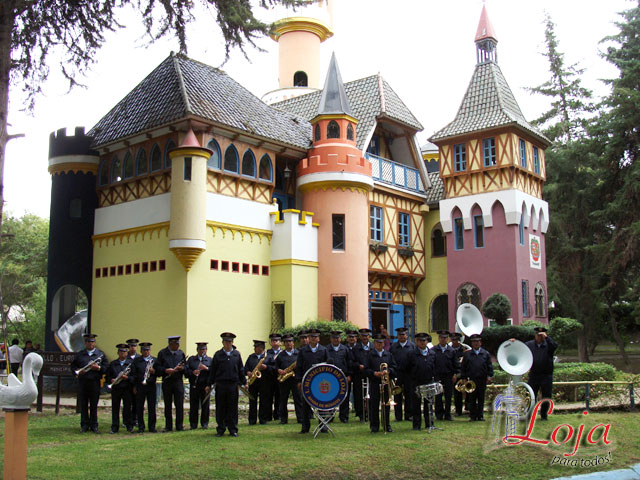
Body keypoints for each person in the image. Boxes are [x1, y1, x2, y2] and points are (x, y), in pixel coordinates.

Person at [208, 332, 246, 437]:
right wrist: (209, 384)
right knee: (221, 407)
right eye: (226, 341)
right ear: (222, 342)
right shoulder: (218, 354)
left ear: (232, 342)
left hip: (233, 385)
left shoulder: (236, 354)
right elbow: (213, 371)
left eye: (229, 342)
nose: (227, 344)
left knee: (232, 408)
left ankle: (233, 429)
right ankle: (221, 429)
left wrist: (244, 383)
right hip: (221, 385)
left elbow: (240, 369)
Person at [70, 333, 106, 433]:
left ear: (95, 343)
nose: (90, 344)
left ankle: (94, 425)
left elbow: (106, 368)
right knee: (84, 405)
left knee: (94, 405)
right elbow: (73, 367)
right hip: (83, 382)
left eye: (92, 342)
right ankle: (84, 425)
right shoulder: (80, 354)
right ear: (85, 343)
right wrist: (77, 371)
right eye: (88, 342)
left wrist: (98, 368)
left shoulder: (100, 354)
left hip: (94, 382)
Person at [295, 328, 328, 434]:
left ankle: (323, 425)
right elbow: (299, 367)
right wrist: (299, 381)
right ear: (309, 338)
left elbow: (328, 366)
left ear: (318, 339)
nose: (314, 339)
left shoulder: (324, 350)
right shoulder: (303, 351)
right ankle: (305, 427)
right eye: (312, 337)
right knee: (305, 405)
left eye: (316, 337)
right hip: (307, 381)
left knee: (322, 404)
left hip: (320, 381)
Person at [365, 333, 397, 433]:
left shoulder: (389, 354)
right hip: (374, 383)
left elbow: (394, 367)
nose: (379, 344)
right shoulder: (369, 355)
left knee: (386, 406)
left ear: (384, 344)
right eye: (377, 343)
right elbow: (365, 369)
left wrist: (388, 371)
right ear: (374, 343)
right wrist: (374, 373)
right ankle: (374, 426)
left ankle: (386, 425)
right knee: (374, 406)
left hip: (385, 384)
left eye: (381, 343)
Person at [526, 326, 558, 420]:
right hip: (534, 374)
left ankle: (544, 415)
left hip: (546, 374)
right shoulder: (529, 344)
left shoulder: (549, 345)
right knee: (531, 395)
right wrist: (513, 342)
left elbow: (555, 346)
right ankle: (530, 414)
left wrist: (547, 338)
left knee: (546, 396)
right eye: (537, 335)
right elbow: (521, 349)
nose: (539, 337)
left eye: (541, 335)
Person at [156, 336, 186, 432]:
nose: (177, 346)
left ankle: (179, 426)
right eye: (175, 344)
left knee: (179, 404)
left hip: (178, 381)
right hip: (167, 381)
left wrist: (182, 368)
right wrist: (165, 370)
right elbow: (157, 367)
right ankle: (168, 426)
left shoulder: (181, 353)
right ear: (170, 344)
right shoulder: (162, 353)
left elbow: (186, 367)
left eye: (178, 344)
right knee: (167, 404)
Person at [460, 333, 493, 421]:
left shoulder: (485, 353)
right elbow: (463, 367)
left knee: (481, 398)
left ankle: (480, 416)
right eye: (474, 342)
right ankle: (472, 416)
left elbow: (489, 366)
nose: (476, 343)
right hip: (471, 380)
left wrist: (489, 376)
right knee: (472, 399)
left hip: (482, 379)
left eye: (477, 341)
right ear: (471, 343)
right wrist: (463, 378)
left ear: (480, 343)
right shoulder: (467, 354)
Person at [408, 332, 436, 430]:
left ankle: (429, 423)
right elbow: (407, 368)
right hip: (416, 382)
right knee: (416, 405)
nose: (422, 343)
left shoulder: (432, 353)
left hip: (428, 381)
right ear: (416, 342)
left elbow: (435, 367)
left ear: (427, 341)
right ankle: (416, 425)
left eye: (424, 340)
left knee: (429, 404)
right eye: (420, 341)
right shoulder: (411, 354)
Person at [431, 330, 459, 421]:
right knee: (438, 396)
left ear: (448, 339)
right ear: (439, 338)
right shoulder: (433, 350)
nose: (443, 339)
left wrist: (455, 374)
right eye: (441, 337)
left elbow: (456, 364)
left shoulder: (452, 351)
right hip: (437, 375)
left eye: (445, 338)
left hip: (448, 376)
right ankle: (439, 414)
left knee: (448, 396)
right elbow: (431, 364)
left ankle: (447, 414)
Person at [106, 343, 134, 433]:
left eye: (125, 352)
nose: (123, 353)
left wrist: (128, 378)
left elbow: (135, 377)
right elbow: (107, 376)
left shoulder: (131, 364)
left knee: (127, 408)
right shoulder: (113, 364)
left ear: (127, 353)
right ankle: (115, 427)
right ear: (118, 352)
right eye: (121, 352)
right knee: (115, 408)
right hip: (116, 388)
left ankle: (129, 426)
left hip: (127, 389)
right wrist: (111, 380)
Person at [389, 327, 415, 422]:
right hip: (397, 374)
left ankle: (409, 415)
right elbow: (390, 360)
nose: (402, 336)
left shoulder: (412, 346)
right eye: (400, 335)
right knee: (397, 395)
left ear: (407, 335)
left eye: (403, 334)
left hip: (409, 374)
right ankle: (398, 416)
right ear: (397, 336)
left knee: (409, 395)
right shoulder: (393, 347)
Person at [275, 334, 302, 424]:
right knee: (283, 400)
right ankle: (283, 419)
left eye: (290, 342)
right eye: (286, 342)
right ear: (284, 344)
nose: (288, 344)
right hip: (284, 380)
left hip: (295, 379)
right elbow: (275, 366)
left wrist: (297, 366)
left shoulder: (299, 354)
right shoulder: (280, 355)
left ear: (293, 343)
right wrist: (279, 370)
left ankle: (300, 418)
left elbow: (302, 366)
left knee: (298, 399)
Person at [132, 342, 158, 433]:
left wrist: (153, 371)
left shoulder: (154, 360)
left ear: (150, 350)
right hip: (140, 386)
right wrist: (135, 386)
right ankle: (141, 427)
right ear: (141, 351)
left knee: (152, 407)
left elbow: (159, 373)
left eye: (147, 350)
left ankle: (152, 427)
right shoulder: (137, 361)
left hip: (151, 386)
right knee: (139, 407)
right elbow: (134, 374)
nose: (146, 351)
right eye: (144, 350)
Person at [326, 330, 351, 423]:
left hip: (343, 376)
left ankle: (344, 417)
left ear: (340, 339)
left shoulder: (345, 349)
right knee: (331, 396)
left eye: (337, 338)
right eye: (334, 338)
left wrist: (348, 375)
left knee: (344, 396)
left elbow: (349, 362)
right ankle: (330, 416)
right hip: (331, 376)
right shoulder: (327, 349)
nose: (336, 339)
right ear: (331, 339)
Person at [184, 342, 212, 429]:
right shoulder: (192, 359)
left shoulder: (210, 360)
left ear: (206, 350)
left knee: (205, 406)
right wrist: (193, 373)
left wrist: (206, 368)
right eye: (200, 349)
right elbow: (186, 371)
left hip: (205, 386)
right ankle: (193, 424)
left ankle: (204, 423)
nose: (202, 351)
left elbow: (214, 372)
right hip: (194, 385)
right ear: (197, 350)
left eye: (204, 349)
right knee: (193, 406)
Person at [244, 339, 270, 425]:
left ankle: (263, 419)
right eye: (254, 347)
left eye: (256, 347)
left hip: (264, 382)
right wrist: (248, 372)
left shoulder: (268, 357)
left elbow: (274, 368)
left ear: (262, 348)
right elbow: (245, 368)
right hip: (253, 382)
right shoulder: (251, 357)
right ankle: (252, 420)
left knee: (264, 401)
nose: (255, 349)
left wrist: (266, 367)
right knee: (252, 401)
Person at [352, 328, 373, 421]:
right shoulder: (355, 348)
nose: (365, 338)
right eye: (363, 336)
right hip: (359, 374)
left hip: (370, 374)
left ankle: (370, 413)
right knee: (359, 395)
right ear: (360, 337)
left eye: (366, 336)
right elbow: (351, 361)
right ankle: (361, 414)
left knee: (371, 394)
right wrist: (358, 365)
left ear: (369, 337)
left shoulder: (373, 347)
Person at [450, 332, 470, 416]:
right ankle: (458, 411)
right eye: (453, 339)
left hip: (465, 373)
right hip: (455, 374)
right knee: (457, 394)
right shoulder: (449, 348)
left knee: (468, 391)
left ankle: (468, 408)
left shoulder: (465, 348)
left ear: (459, 339)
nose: (455, 341)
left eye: (456, 339)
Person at [265, 333, 282, 422]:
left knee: (279, 397)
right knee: (269, 397)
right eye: (273, 341)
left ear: (280, 342)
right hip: (269, 378)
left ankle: (277, 415)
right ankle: (268, 416)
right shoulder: (267, 352)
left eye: (277, 341)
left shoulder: (283, 353)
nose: (275, 342)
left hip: (279, 378)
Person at [126, 338, 140, 428]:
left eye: (134, 346)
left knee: (136, 403)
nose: (133, 348)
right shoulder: (125, 356)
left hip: (136, 383)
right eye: (131, 346)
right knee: (127, 403)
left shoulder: (139, 358)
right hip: (126, 384)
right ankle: (126, 420)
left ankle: (135, 419)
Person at [345, 330, 358, 416]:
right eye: (350, 337)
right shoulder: (344, 348)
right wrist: (348, 374)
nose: (351, 339)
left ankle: (358, 412)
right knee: (346, 394)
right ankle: (345, 414)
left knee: (358, 394)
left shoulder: (359, 348)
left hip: (358, 374)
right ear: (347, 338)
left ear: (356, 338)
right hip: (347, 374)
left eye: (353, 337)